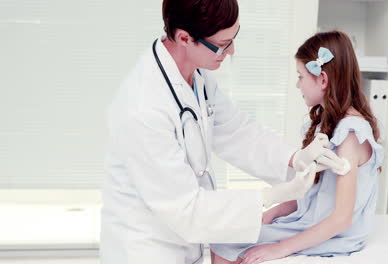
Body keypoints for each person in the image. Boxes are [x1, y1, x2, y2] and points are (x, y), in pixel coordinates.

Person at [99, 1, 347, 264]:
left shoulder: (198, 77)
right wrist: (272, 196)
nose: (231, 51)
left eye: (233, 38)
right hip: (146, 251)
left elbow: (237, 132)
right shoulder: (144, 108)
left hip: (185, 244)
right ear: (184, 38)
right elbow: (187, 209)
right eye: (223, 44)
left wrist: (296, 158)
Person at [210, 30, 385, 264]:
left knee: (225, 246)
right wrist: (275, 211)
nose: (297, 84)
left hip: (335, 233)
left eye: (301, 76)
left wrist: (280, 248)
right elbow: (317, 192)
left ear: (322, 79)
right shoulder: (329, 122)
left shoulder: (349, 134)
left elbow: (342, 218)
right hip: (311, 219)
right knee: (225, 239)